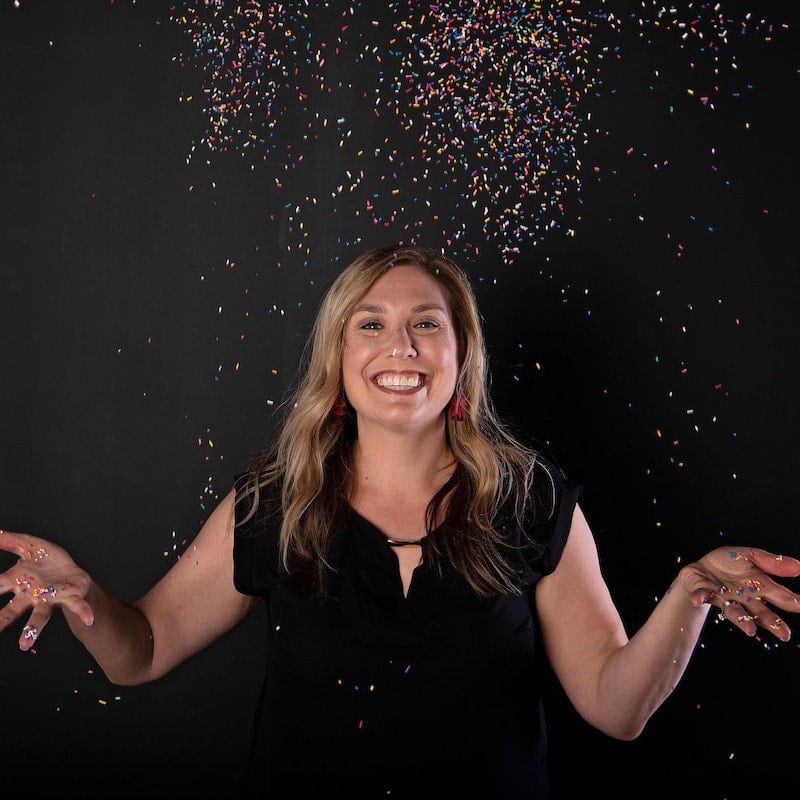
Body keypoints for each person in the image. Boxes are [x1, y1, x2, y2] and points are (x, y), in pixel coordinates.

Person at [1, 243, 798, 799]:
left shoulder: (532, 499)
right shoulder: (274, 502)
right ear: (340, 357)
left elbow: (616, 709)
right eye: (372, 323)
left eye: (427, 322)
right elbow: (138, 653)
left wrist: (691, 593)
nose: (401, 346)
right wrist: (82, 596)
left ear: (460, 354)